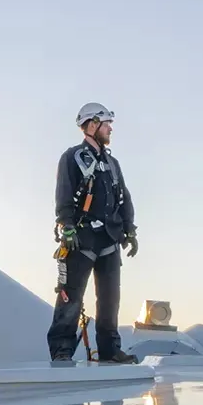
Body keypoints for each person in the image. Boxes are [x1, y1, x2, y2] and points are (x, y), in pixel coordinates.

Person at [48, 102, 140, 365]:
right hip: (81, 237)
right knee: (71, 295)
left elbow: (124, 198)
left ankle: (110, 350)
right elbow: (64, 194)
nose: (110, 128)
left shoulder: (113, 163)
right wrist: (66, 225)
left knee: (110, 299)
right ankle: (62, 350)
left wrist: (129, 230)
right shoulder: (72, 157)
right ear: (92, 125)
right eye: (106, 123)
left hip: (110, 239)